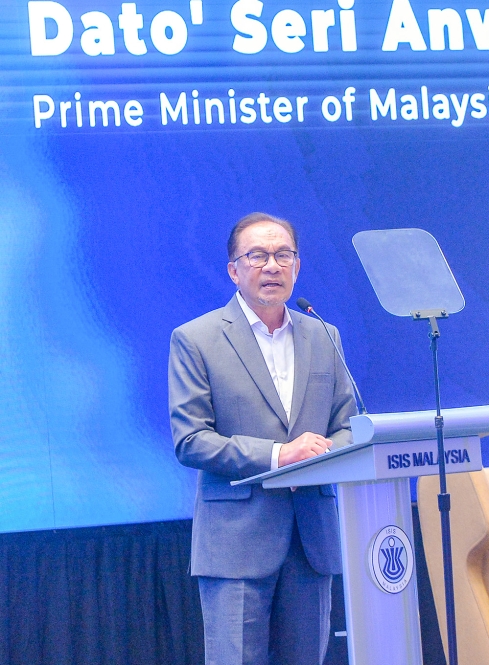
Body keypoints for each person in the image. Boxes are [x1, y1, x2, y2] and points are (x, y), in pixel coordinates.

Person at [168, 212, 357, 665]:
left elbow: (350, 425)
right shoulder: (196, 339)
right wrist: (280, 456)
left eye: (283, 254)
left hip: (311, 540)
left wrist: (321, 457)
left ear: (297, 266)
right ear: (234, 269)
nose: (272, 265)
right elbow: (191, 439)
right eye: (257, 255)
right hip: (235, 545)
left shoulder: (324, 335)